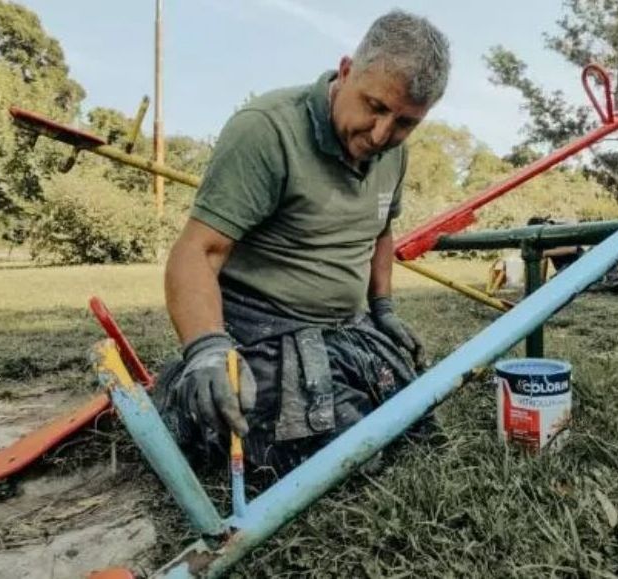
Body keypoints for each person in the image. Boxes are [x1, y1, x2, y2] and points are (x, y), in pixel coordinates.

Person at [156, 10, 451, 480]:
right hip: (260, 332)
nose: (381, 135)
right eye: (374, 106)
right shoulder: (266, 129)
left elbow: (380, 231)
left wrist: (384, 308)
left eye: (404, 123)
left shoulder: (394, 155)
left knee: (416, 429)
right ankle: (184, 388)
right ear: (347, 69)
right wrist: (208, 351)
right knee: (351, 455)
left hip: (345, 329)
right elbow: (198, 251)